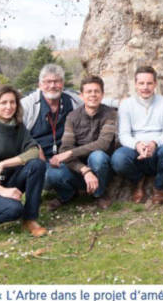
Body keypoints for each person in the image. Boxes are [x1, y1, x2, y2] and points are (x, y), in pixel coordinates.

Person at [0, 85, 47, 238]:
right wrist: (3, 192)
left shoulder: (18, 127)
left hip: (7, 179)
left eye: (12, 102)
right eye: (3, 103)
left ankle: (30, 219)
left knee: (37, 165)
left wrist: (2, 164)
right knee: (14, 209)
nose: (9, 107)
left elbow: (33, 151)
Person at [45, 75, 117, 211]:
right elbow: (65, 147)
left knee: (98, 156)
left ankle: (99, 193)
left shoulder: (110, 114)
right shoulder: (72, 117)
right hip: (78, 167)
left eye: (97, 91)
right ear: (81, 96)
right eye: (89, 92)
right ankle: (69, 194)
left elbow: (103, 144)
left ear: (102, 95)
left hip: (101, 166)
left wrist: (70, 153)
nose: (93, 95)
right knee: (51, 174)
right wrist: (84, 170)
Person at [111, 66, 163, 205]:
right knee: (118, 159)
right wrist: (137, 145)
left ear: (155, 84)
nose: (145, 87)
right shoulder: (126, 105)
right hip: (135, 148)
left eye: (149, 83)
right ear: (135, 85)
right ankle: (138, 180)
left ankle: (158, 187)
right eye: (141, 83)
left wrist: (154, 143)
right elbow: (124, 135)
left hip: (158, 147)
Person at [21, 64, 81, 162]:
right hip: (36, 160)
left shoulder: (74, 101)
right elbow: (19, 135)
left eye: (57, 81)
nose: (52, 86)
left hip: (68, 159)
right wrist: (35, 149)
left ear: (63, 83)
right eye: (48, 82)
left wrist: (114, 103)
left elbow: (93, 100)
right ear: (39, 85)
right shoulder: (27, 104)